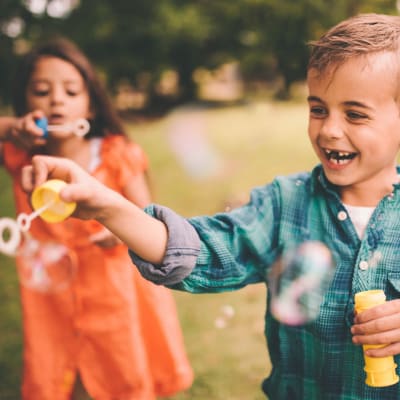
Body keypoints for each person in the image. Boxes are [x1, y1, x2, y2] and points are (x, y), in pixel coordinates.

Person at [20, 12, 400, 400]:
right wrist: (107, 205)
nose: (329, 129)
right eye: (318, 109)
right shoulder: (285, 205)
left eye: (354, 114)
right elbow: (198, 250)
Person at [0, 38, 193, 400]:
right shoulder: (20, 154)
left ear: (90, 106)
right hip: (50, 297)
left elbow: (146, 218)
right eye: (42, 90)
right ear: (25, 102)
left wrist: (120, 233)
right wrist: (13, 128)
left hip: (113, 291)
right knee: (56, 371)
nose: (57, 99)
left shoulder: (116, 153)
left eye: (71, 90)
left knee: (120, 369)